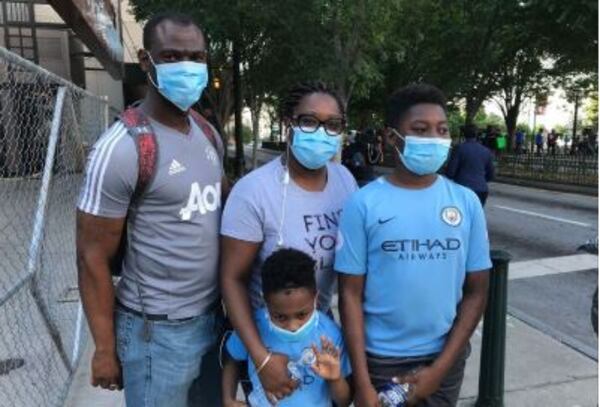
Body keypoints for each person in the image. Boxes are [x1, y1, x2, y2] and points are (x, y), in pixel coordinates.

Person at [76, 12, 228, 406]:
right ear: (146, 61)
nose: (188, 67)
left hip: (212, 319)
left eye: (196, 57)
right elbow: (92, 256)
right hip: (155, 335)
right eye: (173, 56)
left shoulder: (207, 133)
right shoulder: (123, 148)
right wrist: (105, 349)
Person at [336, 84, 491, 407]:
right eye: (420, 130)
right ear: (392, 138)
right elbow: (349, 294)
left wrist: (440, 369)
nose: (434, 138)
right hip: (380, 360)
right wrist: (362, 383)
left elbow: (477, 291)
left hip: (444, 358)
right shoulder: (363, 204)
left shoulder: (466, 203)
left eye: (442, 130)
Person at [220, 81, 358, 401]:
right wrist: (261, 357)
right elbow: (231, 279)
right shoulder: (254, 192)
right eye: (309, 121)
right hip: (267, 333)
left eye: (333, 124)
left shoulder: (345, 181)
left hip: (317, 325)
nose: (321, 132)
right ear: (287, 124)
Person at [222, 248, 352, 407]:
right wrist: (228, 399)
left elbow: (344, 401)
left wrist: (335, 378)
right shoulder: (252, 327)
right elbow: (232, 359)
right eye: (280, 317)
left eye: (302, 315)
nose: (292, 326)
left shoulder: (330, 334)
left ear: (315, 298)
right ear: (266, 301)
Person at [445, 124, 495, 206]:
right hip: (481, 190)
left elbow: (450, 172)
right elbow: (491, 175)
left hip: (462, 188)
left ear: (464, 134)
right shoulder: (486, 151)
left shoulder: (459, 148)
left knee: (461, 215)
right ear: (477, 135)